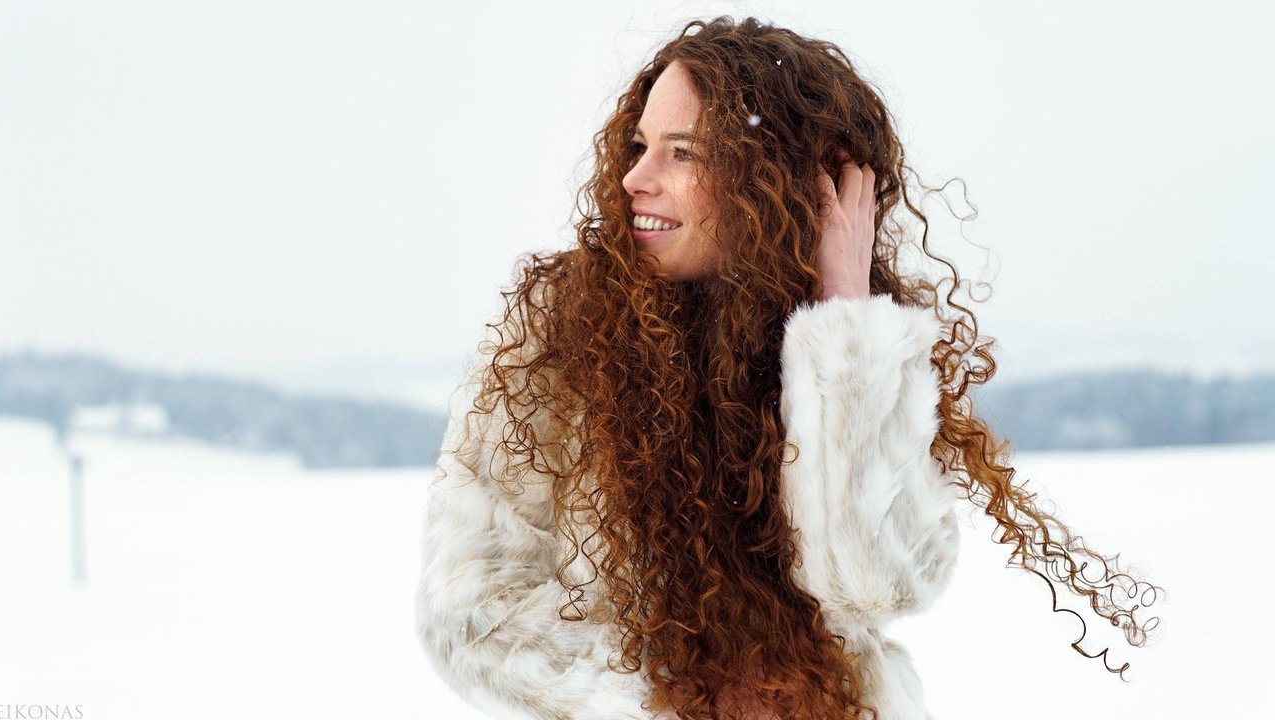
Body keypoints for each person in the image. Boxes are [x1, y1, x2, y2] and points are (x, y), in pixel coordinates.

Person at [415, 16, 1162, 720]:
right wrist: (675, 697)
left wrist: (845, 328)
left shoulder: (860, 341)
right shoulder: (555, 331)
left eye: (683, 152)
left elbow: (878, 585)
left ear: (769, 178)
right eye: (639, 146)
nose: (635, 177)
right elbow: (470, 613)